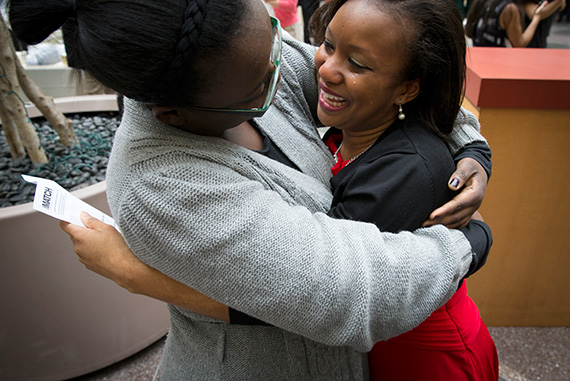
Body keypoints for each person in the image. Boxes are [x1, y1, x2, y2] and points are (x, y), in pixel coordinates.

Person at [10, 0, 492, 379]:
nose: (295, 73)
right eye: (259, 89)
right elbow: (341, 289)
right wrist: (470, 243)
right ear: (173, 114)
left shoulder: (246, 56)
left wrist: (471, 147)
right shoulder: (160, 182)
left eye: (276, 46)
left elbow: (388, 86)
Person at [311, 0, 498, 379]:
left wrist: (479, 237)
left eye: (357, 64)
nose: (327, 69)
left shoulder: (404, 170)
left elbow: (321, 282)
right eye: (329, 45)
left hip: (425, 359)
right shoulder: (360, 122)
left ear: (407, 89)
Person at [465, 0, 549, 46]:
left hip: (478, 58)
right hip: (496, 63)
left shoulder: (481, 2)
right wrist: (537, 17)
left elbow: (468, 30)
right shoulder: (510, 9)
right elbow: (519, 44)